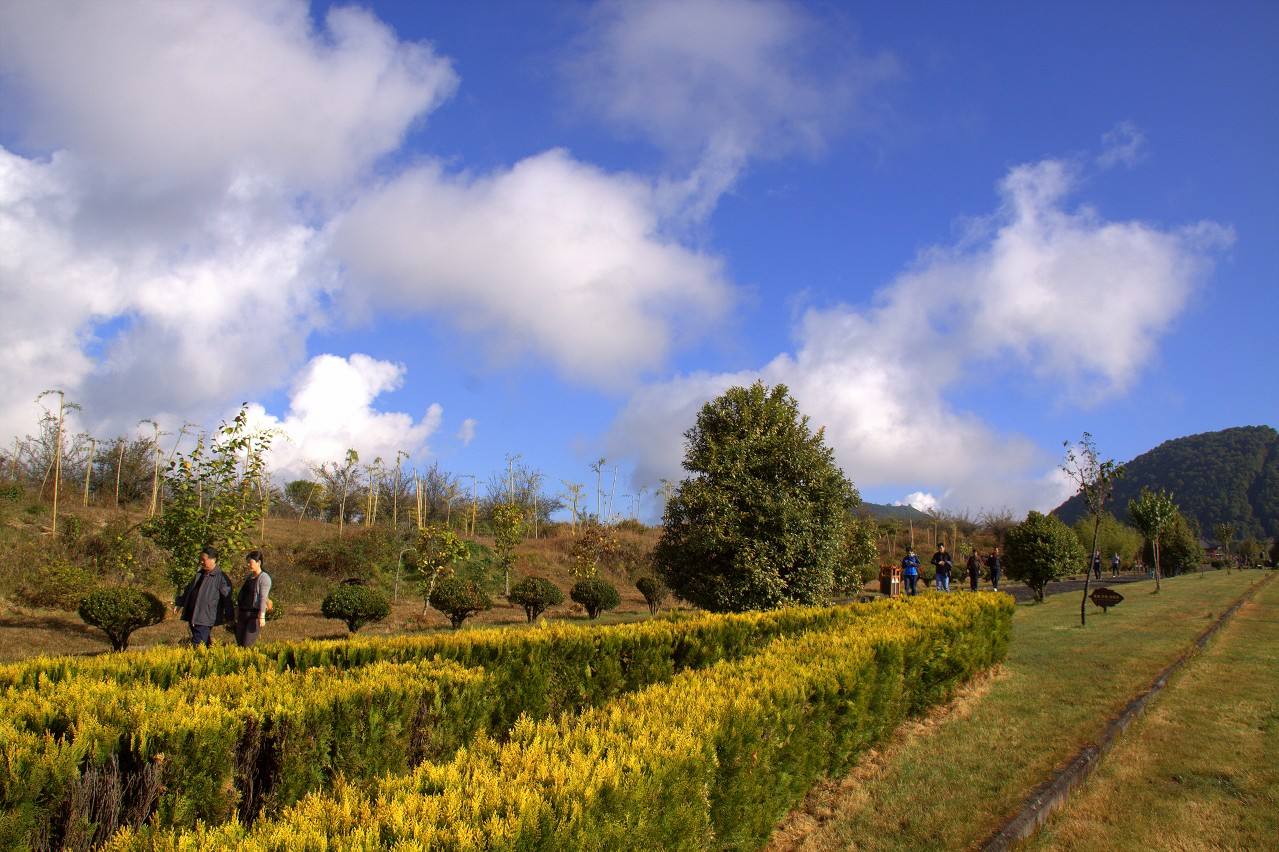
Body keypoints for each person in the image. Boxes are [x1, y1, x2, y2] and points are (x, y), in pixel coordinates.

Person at [175, 545, 233, 647]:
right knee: (204, 643)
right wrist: (180, 603)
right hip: (193, 615)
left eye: (203, 560)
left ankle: (198, 661)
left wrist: (230, 617)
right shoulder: (199, 574)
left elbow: (227, 598)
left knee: (198, 644)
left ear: (213, 560)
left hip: (205, 617)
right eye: (200, 559)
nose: (201, 562)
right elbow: (188, 590)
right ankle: (208, 660)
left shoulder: (221, 577)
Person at [235, 549, 272, 648]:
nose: (248, 565)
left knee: (247, 644)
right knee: (240, 644)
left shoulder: (264, 578)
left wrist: (262, 615)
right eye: (247, 563)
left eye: (250, 562)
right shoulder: (249, 577)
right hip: (243, 613)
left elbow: (263, 598)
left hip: (253, 615)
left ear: (258, 562)